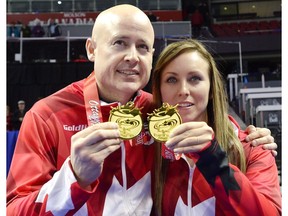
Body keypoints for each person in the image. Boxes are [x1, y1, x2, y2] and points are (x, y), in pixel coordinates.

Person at [6, 5, 278, 215]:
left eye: (143, 47)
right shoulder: (47, 115)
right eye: (119, 43)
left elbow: (205, 119)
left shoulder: (158, 113)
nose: (132, 57)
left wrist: (246, 138)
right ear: (91, 49)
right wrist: (73, 178)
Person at [151, 39, 281, 215]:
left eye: (194, 78)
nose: (183, 90)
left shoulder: (253, 148)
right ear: (159, 89)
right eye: (171, 79)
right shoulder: (150, 150)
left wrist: (213, 158)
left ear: (212, 89)